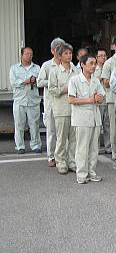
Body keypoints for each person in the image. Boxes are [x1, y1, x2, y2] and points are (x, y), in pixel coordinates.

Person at [68, 54, 105, 184]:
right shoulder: (75, 80)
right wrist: (90, 99)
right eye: (91, 63)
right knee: (82, 147)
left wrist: (99, 99)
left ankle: (91, 172)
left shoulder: (95, 81)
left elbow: (101, 96)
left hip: (95, 117)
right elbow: (71, 99)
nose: (94, 66)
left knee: (94, 148)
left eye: (95, 63)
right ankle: (81, 173)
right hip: (82, 118)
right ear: (82, 64)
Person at [48, 43, 79, 174]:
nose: (68, 56)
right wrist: (65, 90)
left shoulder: (75, 70)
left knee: (73, 138)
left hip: (75, 109)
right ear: (59, 56)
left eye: (70, 53)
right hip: (61, 109)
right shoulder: (54, 71)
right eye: (65, 53)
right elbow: (52, 90)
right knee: (61, 138)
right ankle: (60, 161)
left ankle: (72, 161)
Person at [9, 47, 42, 154]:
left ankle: (36, 145)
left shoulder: (37, 68)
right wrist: (26, 81)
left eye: (31, 54)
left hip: (33, 101)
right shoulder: (14, 68)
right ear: (21, 55)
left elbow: (41, 82)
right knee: (19, 125)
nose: (29, 56)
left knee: (34, 125)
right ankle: (20, 146)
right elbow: (13, 82)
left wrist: (35, 80)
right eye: (27, 54)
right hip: (19, 101)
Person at [38, 37, 65, 166]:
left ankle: (63, 155)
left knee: (64, 131)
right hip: (51, 102)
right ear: (53, 51)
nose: (61, 51)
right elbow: (39, 82)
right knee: (52, 130)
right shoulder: (47, 65)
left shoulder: (68, 64)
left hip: (65, 102)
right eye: (58, 48)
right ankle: (51, 156)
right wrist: (52, 83)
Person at [94, 48, 111, 154]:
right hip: (98, 101)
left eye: (105, 55)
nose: (103, 58)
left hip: (108, 99)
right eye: (101, 56)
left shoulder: (108, 67)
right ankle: (96, 147)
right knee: (97, 125)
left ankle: (108, 147)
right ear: (96, 58)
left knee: (108, 125)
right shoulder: (93, 69)